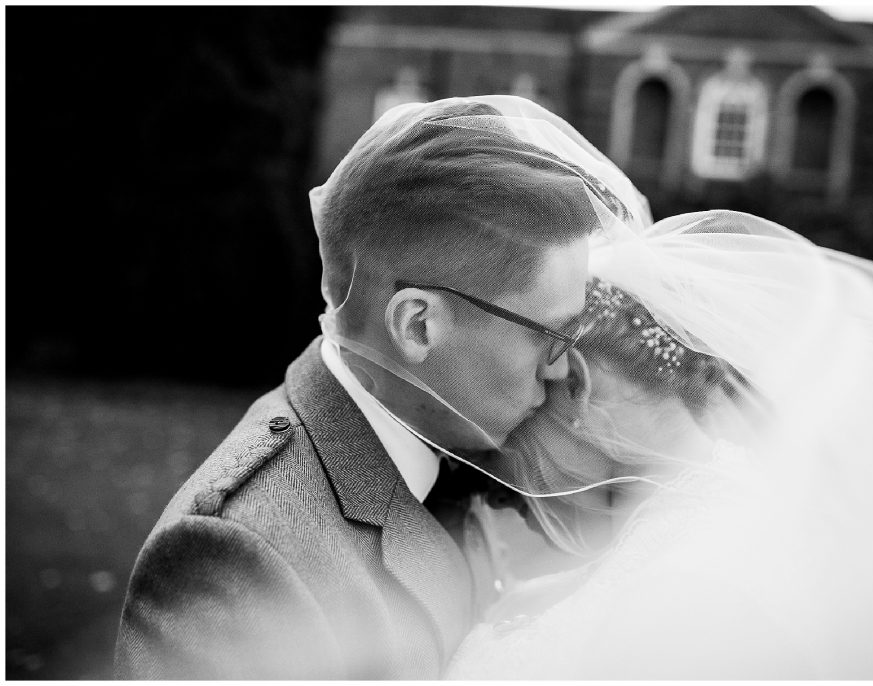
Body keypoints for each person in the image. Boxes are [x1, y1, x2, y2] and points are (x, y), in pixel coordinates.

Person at [113, 97, 603, 678]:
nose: (564, 369)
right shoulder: (242, 552)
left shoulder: (455, 444)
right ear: (417, 325)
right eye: (551, 334)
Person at [444, 209, 873, 678]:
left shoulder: (692, 589)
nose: (508, 459)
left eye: (520, 416)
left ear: (578, 386)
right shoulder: (744, 515)